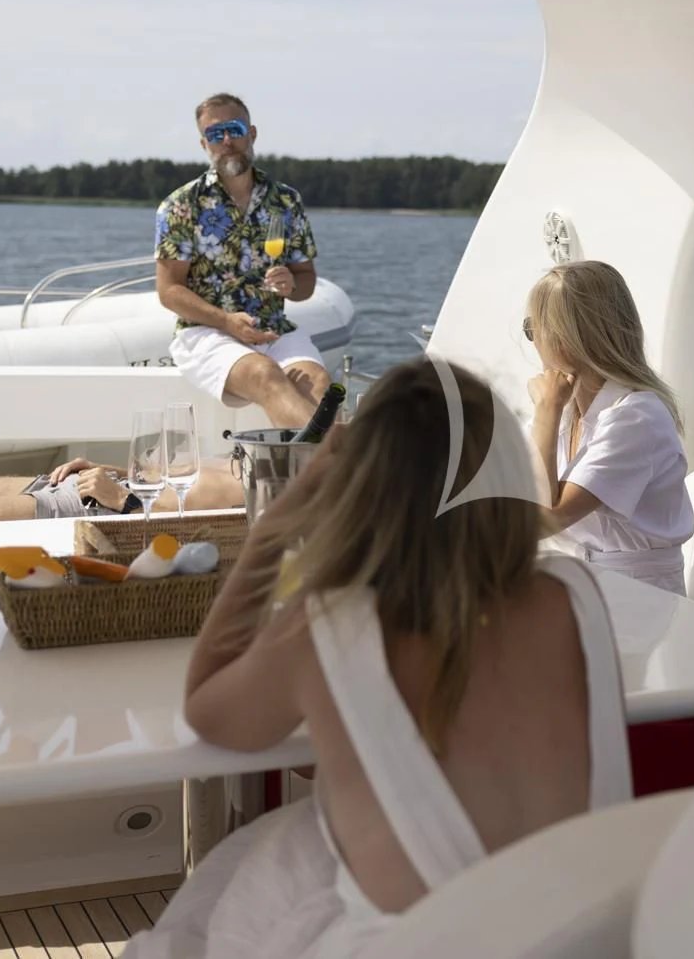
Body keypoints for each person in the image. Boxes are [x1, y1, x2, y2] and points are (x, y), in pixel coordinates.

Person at [123, 358, 632, 959]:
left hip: (423, 944)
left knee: (242, 884)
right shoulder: (574, 598)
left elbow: (210, 713)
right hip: (582, 935)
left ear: (362, 484)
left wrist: (269, 534)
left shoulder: (329, 626)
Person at [155, 92, 331, 427]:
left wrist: (292, 285)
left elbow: (306, 280)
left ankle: (319, 471)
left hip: (273, 329)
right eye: (214, 134)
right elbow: (169, 291)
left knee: (320, 386)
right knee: (265, 374)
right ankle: (342, 466)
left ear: (251, 133)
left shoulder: (285, 200)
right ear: (204, 143)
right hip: (206, 333)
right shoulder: (181, 205)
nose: (226, 141)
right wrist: (225, 320)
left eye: (234, 129)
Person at [524, 260, 693, 595]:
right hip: (575, 586)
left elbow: (545, 519)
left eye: (532, 330)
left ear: (564, 341)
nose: (532, 343)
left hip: (637, 598)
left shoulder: (636, 417)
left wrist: (546, 409)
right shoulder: (569, 410)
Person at [0, 454, 246, 523]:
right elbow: (176, 477)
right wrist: (111, 470)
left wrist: (124, 501)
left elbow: (209, 530)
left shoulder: (286, 492)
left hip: (111, 508)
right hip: (105, 485)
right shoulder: (274, 451)